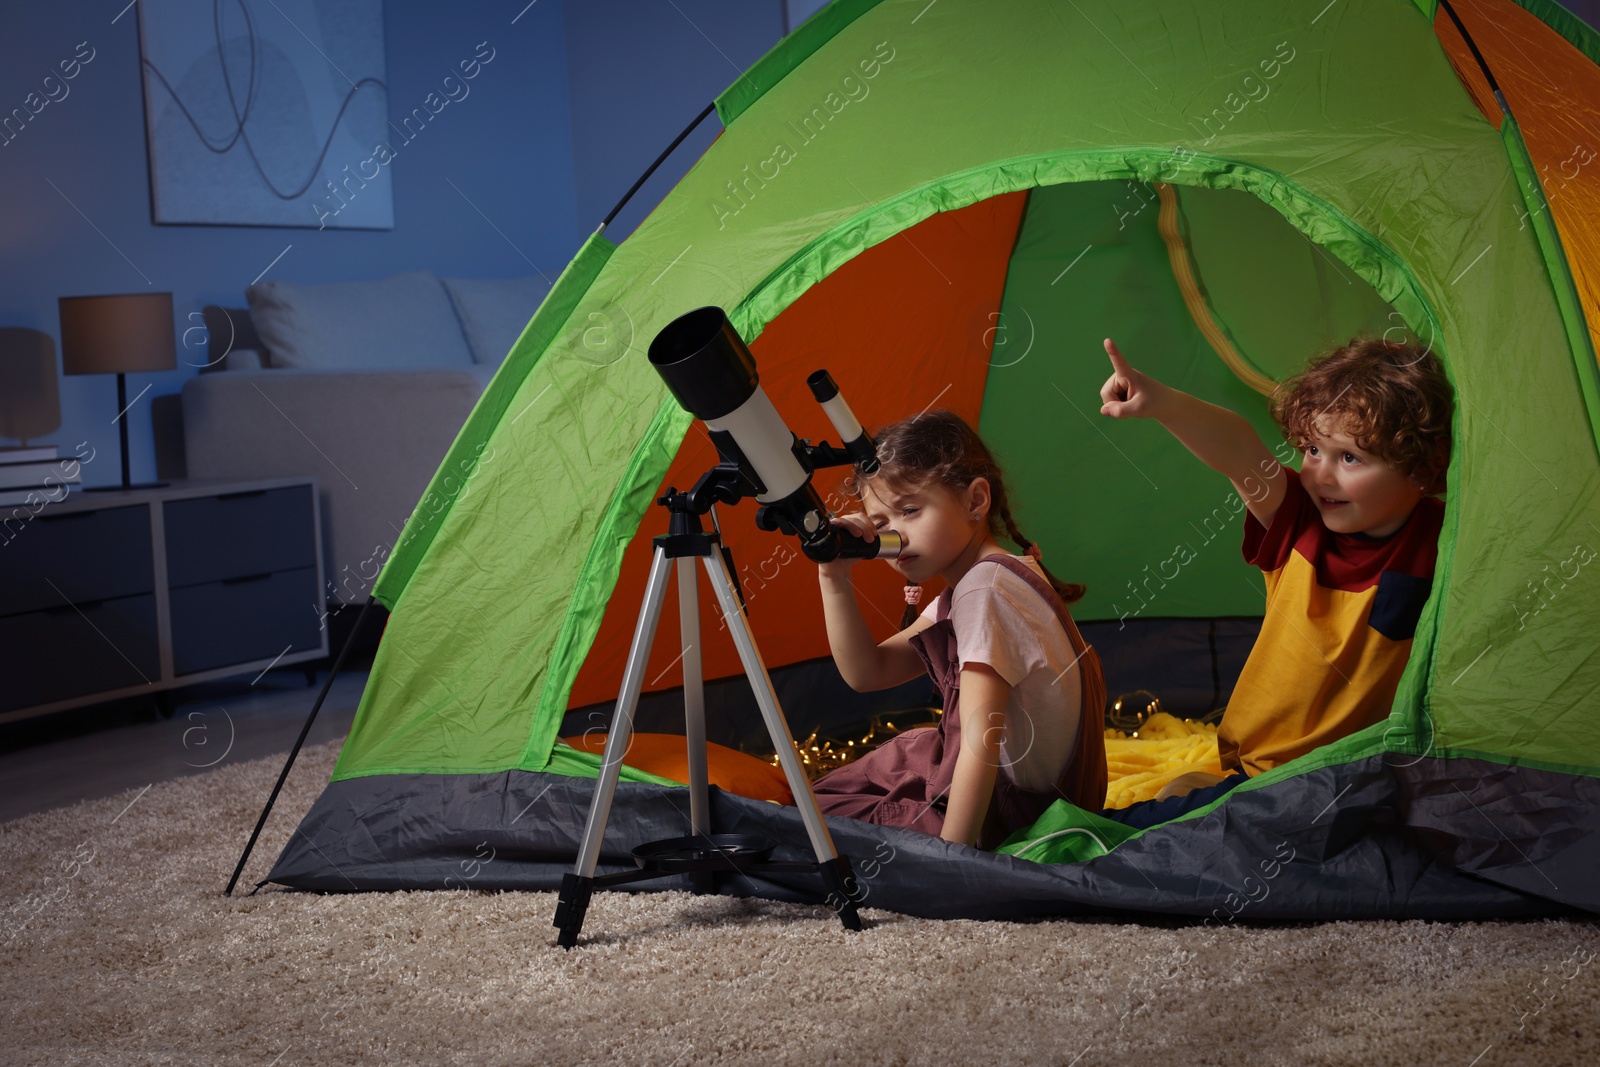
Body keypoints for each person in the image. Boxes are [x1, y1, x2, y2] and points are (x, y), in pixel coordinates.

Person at [1097, 334, 1453, 828]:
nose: (1321, 475)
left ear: (1420, 469)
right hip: (1263, 767)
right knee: (1151, 831)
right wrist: (1162, 403)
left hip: (1358, 774)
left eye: (1349, 457)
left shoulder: (1445, 536)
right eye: (1311, 449)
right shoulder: (1298, 520)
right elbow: (1239, 449)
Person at [809, 409, 1107, 850]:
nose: (896, 536)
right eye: (880, 524)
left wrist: (953, 862)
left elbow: (980, 742)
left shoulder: (985, 590)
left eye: (910, 510)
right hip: (991, 784)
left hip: (1011, 814)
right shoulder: (983, 580)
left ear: (975, 501)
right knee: (878, 769)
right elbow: (868, 671)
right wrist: (833, 577)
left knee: (818, 824)